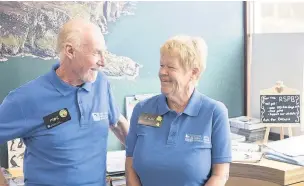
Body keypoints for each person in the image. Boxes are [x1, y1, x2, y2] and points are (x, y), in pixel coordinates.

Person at [0, 18, 129, 186]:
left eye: (104, 53)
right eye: (96, 53)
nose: (103, 62)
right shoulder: (25, 99)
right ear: (70, 51)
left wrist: (148, 160)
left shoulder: (101, 84)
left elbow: (118, 123)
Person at [125, 35, 232, 186]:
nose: (162, 72)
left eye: (171, 67)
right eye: (161, 65)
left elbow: (220, 175)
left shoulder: (214, 113)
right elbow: (130, 164)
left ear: (194, 72)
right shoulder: (143, 110)